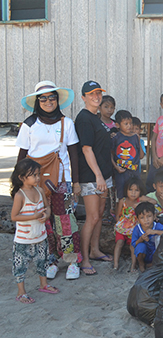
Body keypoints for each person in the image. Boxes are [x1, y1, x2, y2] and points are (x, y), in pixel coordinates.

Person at [16, 80, 81, 280]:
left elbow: (73, 154)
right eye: (43, 98)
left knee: (66, 221)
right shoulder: (29, 125)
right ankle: (51, 259)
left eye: (51, 97)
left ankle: (72, 261)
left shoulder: (66, 123)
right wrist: (19, 185)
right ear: (37, 102)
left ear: (57, 100)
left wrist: (75, 182)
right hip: (35, 184)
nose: (48, 101)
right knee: (46, 222)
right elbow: (22, 155)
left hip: (62, 180)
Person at [75, 80, 113, 276]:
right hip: (92, 176)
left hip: (103, 175)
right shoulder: (84, 119)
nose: (96, 97)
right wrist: (98, 176)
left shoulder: (96, 117)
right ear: (83, 98)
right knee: (93, 217)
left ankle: (95, 250)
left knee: (99, 214)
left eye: (98, 93)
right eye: (91, 94)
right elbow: (86, 149)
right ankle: (84, 259)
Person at [10, 159, 58, 304]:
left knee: (42, 261)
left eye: (38, 174)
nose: (38, 178)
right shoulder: (20, 195)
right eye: (34, 175)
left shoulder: (40, 190)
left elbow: (47, 206)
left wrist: (47, 215)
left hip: (40, 235)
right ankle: (21, 292)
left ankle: (43, 284)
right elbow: (14, 216)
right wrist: (35, 216)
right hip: (23, 238)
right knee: (20, 265)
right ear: (22, 177)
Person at [112, 177, 156, 271]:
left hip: (134, 229)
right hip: (122, 227)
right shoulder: (122, 201)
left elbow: (154, 202)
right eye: (130, 190)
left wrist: (143, 199)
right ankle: (115, 265)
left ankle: (133, 265)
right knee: (119, 243)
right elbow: (118, 214)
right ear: (126, 190)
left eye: (136, 190)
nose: (133, 193)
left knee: (133, 246)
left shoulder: (139, 201)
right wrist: (117, 225)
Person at [111, 110, 142, 199]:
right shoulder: (116, 137)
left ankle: (132, 213)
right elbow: (111, 154)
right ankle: (120, 212)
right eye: (126, 124)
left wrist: (138, 140)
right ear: (117, 125)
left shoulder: (135, 137)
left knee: (135, 194)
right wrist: (115, 166)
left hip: (134, 172)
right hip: (121, 173)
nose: (129, 126)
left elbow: (140, 155)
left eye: (130, 123)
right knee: (121, 195)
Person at [131, 202, 163, 272]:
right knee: (140, 246)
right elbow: (133, 244)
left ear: (154, 216)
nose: (146, 220)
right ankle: (141, 264)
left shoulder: (157, 226)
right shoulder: (137, 229)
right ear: (138, 219)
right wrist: (141, 239)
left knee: (161, 241)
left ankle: (151, 264)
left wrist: (155, 231)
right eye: (142, 217)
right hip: (144, 254)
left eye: (149, 216)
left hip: (156, 254)